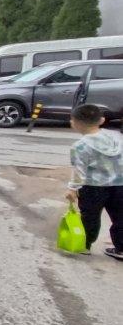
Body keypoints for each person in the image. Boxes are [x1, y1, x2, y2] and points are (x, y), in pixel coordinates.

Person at [64, 104, 123, 260]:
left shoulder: (80, 146)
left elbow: (79, 171)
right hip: (120, 185)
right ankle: (121, 248)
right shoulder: (116, 137)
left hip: (93, 187)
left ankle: (85, 245)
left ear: (74, 122)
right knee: (120, 217)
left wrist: (72, 189)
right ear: (102, 120)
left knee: (90, 217)